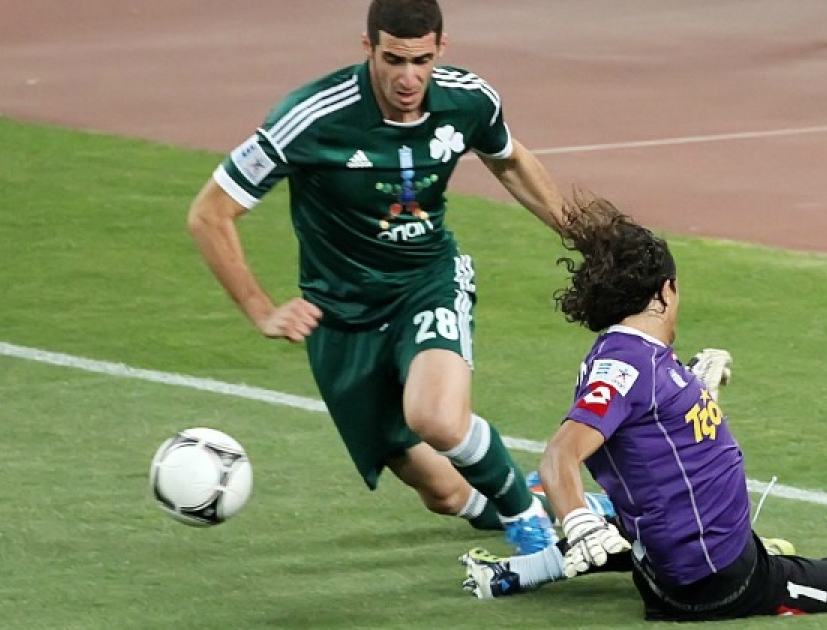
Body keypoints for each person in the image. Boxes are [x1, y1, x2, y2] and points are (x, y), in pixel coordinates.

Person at [185, 0, 612, 554]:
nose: (408, 78)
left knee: (436, 418)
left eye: (421, 61)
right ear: (368, 48)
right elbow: (210, 213)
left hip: (425, 281)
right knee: (445, 493)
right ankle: (533, 496)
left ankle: (530, 519)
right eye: (394, 60)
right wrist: (260, 309)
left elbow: (508, 159)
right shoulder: (312, 116)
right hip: (340, 314)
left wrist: (579, 235)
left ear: (440, 49)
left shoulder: (468, 100)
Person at [459, 192, 827, 620]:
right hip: (718, 583)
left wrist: (693, 387)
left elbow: (649, 433)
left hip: (674, 556)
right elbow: (560, 454)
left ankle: (520, 571)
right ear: (664, 292)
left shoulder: (629, 354)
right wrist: (578, 522)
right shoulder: (627, 368)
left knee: (626, 525)